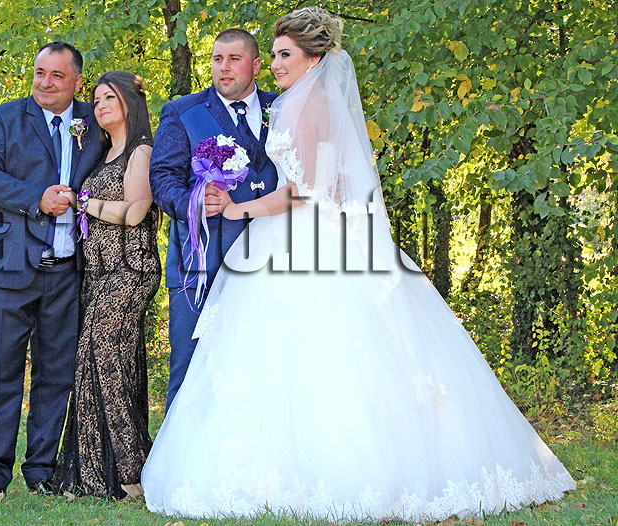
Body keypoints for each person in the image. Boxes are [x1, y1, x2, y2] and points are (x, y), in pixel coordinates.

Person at [141, 7, 576, 522]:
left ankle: (321, 471)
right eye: (274, 55)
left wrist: (241, 208)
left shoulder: (301, 106)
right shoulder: (307, 102)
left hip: (300, 237)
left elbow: (302, 191)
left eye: (283, 55)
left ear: (313, 59)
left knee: (314, 356)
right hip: (307, 234)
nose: (276, 65)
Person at [0, 41, 102, 500]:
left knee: (56, 374)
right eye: (39, 73)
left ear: (77, 81)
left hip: (68, 270)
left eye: (56, 76)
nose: (45, 82)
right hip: (7, 268)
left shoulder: (94, 122)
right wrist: (35, 198)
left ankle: (42, 470)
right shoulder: (5, 118)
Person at [150, 28, 279, 412]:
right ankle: (177, 452)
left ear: (256, 65)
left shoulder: (283, 109)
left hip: (270, 263)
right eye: (217, 59)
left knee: (262, 371)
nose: (224, 67)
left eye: (234, 59)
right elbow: (162, 179)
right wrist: (194, 201)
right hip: (200, 263)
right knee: (190, 372)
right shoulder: (183, 112)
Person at [51, 71, 161, 501]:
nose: (100, 106)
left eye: (109, 98)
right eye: (96, 100)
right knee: (95, 359)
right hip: (99, 272)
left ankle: (133, 472)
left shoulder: (141, 150)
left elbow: (135, 212)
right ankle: (95, 474)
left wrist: (85, 202)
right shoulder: (102, 153)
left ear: (130, 102)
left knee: (106, 353)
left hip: (130, 268)